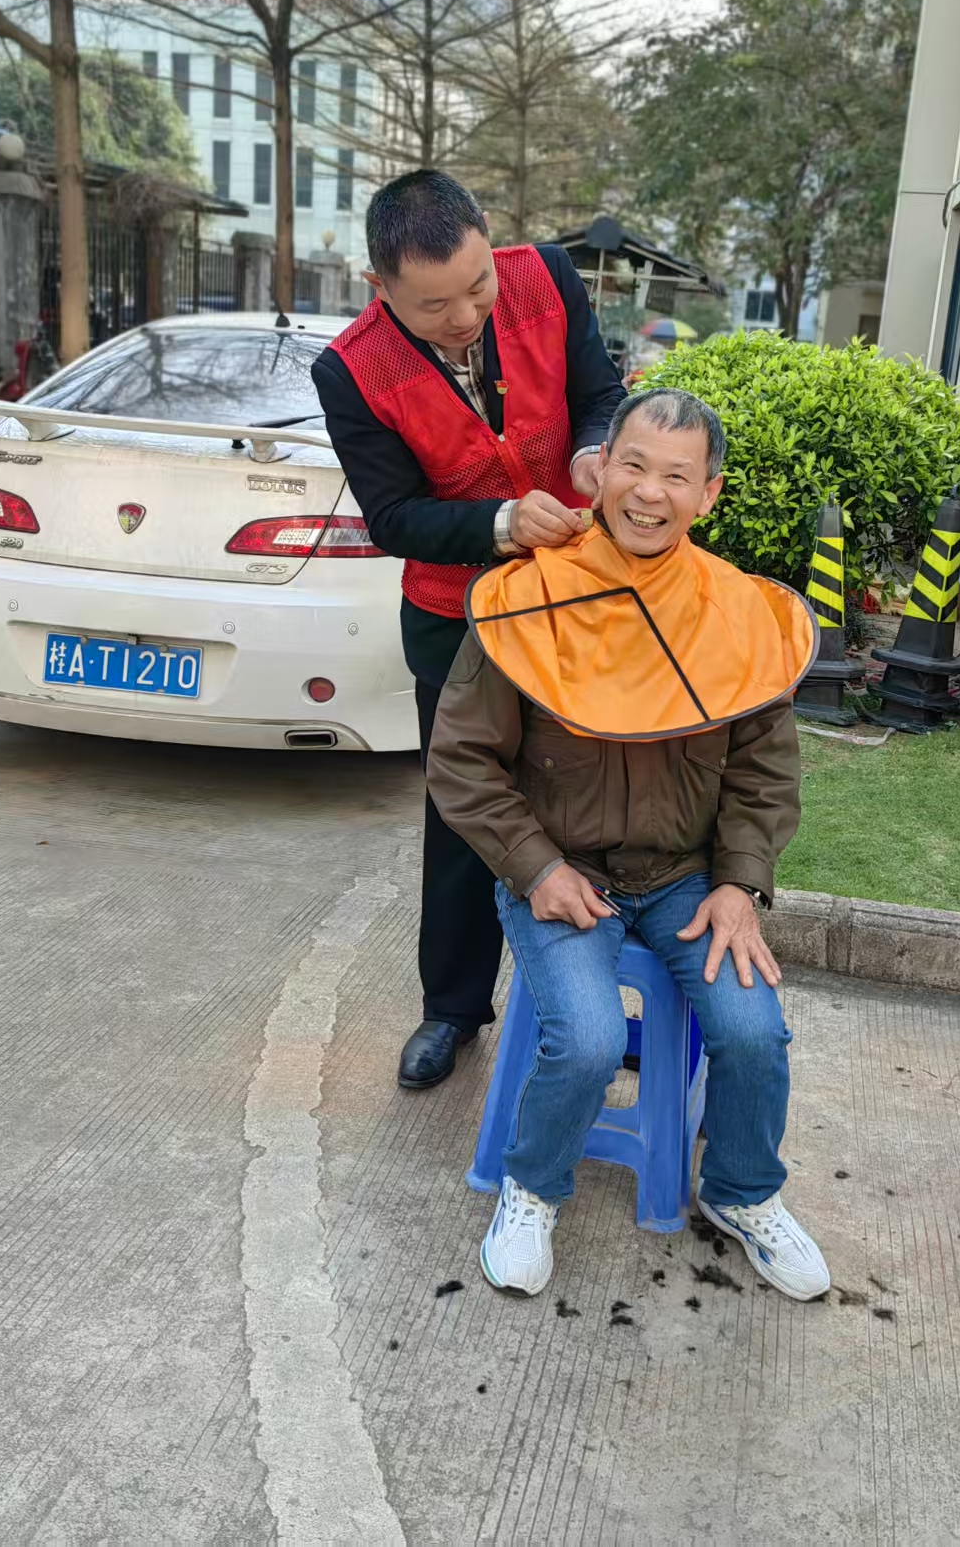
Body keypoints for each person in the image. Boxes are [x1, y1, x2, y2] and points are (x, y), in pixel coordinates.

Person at [426, 388, 832, 1301]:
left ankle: (741, 1193)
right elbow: (460, 759)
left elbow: (764, 775)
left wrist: (740, 884)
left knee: (753, 1031)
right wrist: (533, 867)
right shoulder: (528, 596)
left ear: (708, 495)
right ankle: (532, 1187)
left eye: (676, 477)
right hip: (562, 870)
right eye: (634, 466)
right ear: (599, 469)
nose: (650, 493)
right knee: (587, 1040)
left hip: (688, 879)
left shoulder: (740, 615)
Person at [313, 171, 625, 1092]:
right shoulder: (350, 370)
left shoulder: (549, 277)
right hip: (455, 619)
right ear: (380, 287)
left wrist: (591, 451)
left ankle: (594, 1004)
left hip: (578, 598)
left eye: (477, 286)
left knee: (598, 796)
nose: (465, 317)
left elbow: (601, 393)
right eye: (434, 305)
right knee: (461, 815)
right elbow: (393, 516)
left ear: (489, 238)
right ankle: (450, 1009)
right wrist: (499, 522)